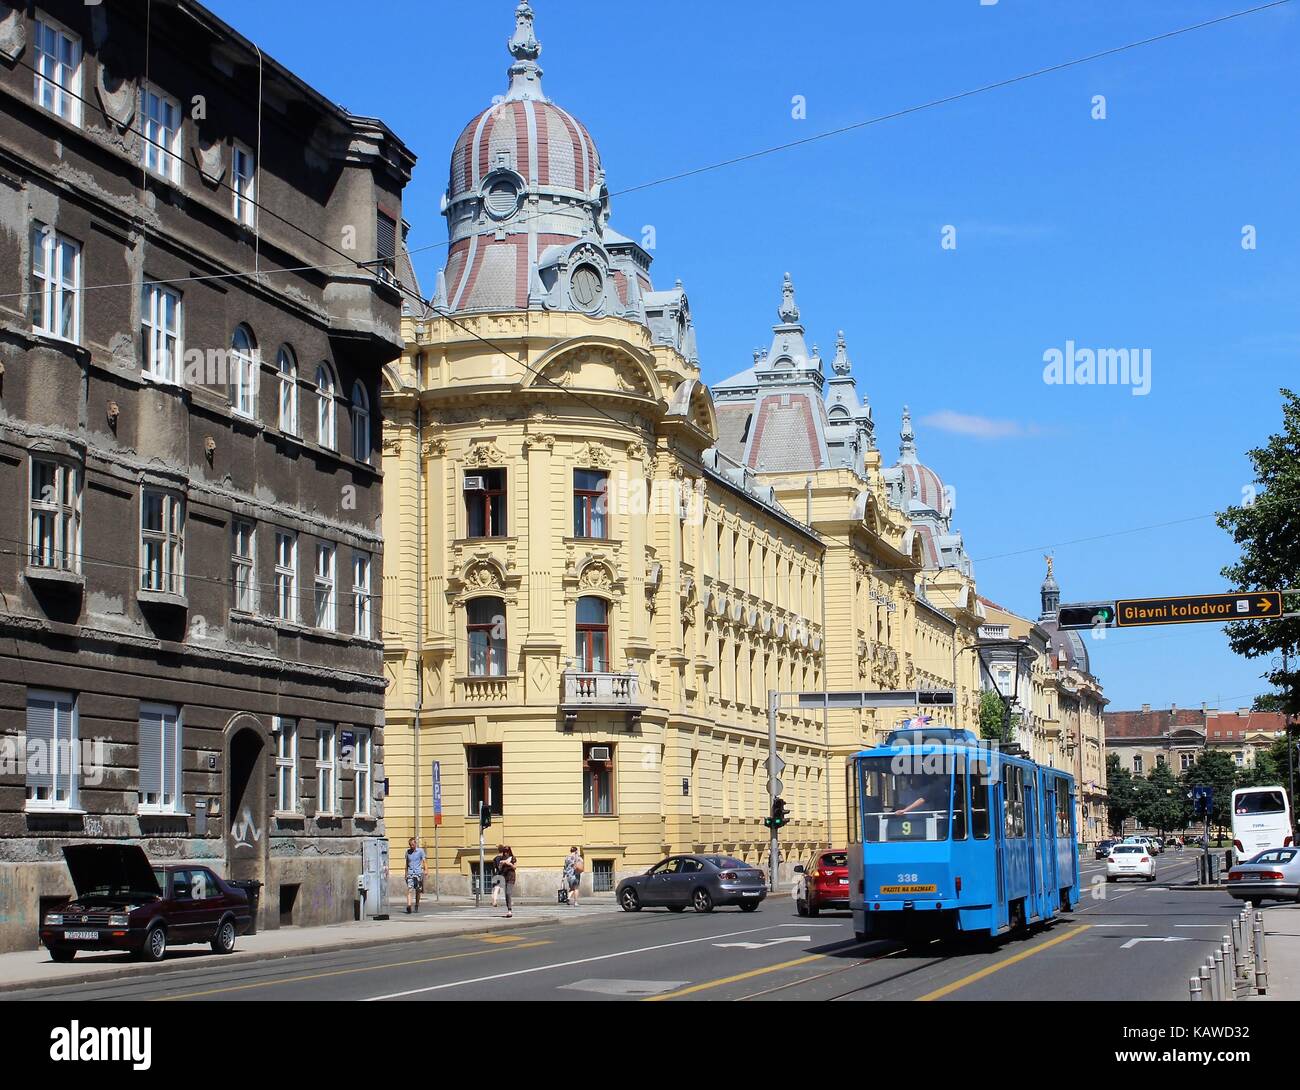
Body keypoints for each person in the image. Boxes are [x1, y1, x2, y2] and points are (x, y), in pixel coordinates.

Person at [404, 837, 427, 914]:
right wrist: (406, 873)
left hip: (418, 874)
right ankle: (409, 906)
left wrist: (426, 870)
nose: (411, 846)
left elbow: (424, 861)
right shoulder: (408, 852)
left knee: (418, 890)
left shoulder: (420, 851)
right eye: (410, 845)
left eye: (413, 845)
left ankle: (417, 904)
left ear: (415, 844)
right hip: (410, 873)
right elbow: (407, 863)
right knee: (409, 889)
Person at [497, 845, 517, 917]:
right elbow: (499, 869)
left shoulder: (513, 858)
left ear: (509, 852)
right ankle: (509, 908)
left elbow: (515, 867)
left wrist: (509, 863)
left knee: (508, 893)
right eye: (504, 852)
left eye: (507, 852)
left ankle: (510, 910)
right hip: (504, 877)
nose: (505, 853)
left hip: (511, 877)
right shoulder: (502, 858)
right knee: (506, 894)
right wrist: (501, 864)